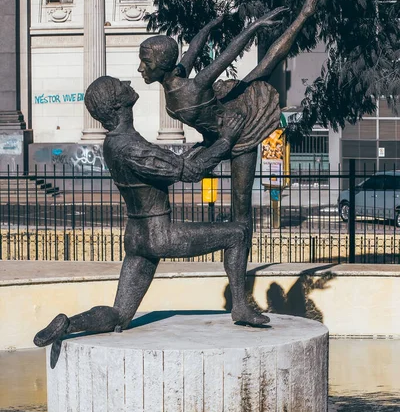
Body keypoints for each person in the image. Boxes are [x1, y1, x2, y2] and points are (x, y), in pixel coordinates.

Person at [34, 76, 269, 349]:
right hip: (160, 235)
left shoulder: (114, 143)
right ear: (117, 104)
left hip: (136, 238)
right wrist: (226, 140)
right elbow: (190, 172)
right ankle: (240, 306)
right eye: (121, 86)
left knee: (120, 314)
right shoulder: (132, 147)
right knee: (238, 234)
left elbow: (172, 165)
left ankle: (69, 324)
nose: (127, 83)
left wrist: (208, 145)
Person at [138, 0, 324, 232]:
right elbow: (194, 47)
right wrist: (211, 25)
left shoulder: (193, 87)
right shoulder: (177, 74)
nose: (141, 68)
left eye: (146, 62)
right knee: (176, 170)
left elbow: (228, 54)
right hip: (215, 136)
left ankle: (304, 15)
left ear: (162, 65)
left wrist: (255, 26)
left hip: (240, 132)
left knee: (240, 208)